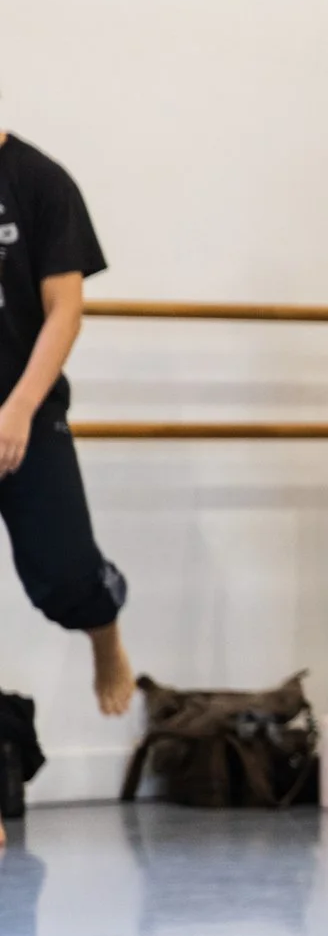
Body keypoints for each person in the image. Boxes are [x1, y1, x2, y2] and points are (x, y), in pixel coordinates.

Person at [0, 129, 134, 851]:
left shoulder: (39, 180)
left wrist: (19, 406)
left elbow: (65, 309)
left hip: (26, 409)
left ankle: (103, 632)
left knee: (64, 575)